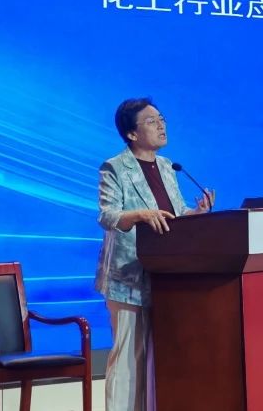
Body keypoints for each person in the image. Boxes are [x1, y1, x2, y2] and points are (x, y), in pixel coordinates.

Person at [95, 98, 214, 411]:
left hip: (165, 275)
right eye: (151, 121)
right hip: (128, 276)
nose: (161, 126)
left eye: (161, 119)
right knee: (127, 359)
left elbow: (173, 214)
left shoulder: (166, 166)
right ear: (132, 133)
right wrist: (140, 215)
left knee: (159, 358)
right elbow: (107, 215)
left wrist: (196, 213)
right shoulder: (114, 167)